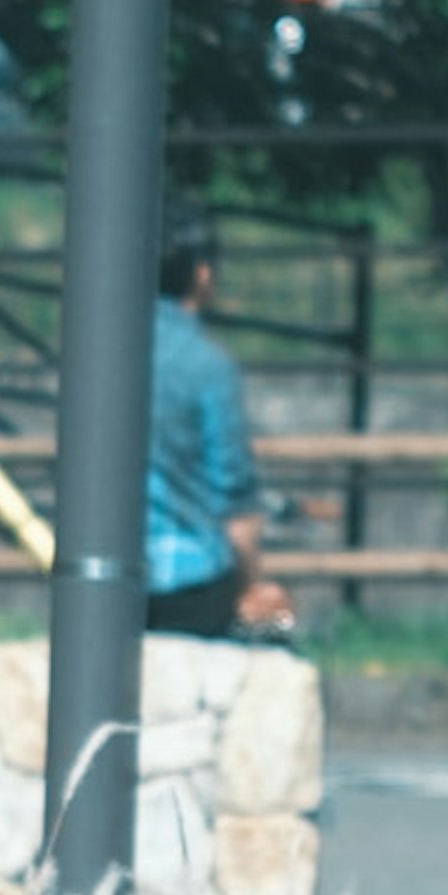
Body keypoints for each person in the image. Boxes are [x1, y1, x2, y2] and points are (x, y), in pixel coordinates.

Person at [147, 224, 296, 639]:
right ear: (203, 274)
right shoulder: (208, 366)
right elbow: (233, 497)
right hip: (191, 585)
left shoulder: (100, 352)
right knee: (279, 625)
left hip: (106, 582)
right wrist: (254, 586)